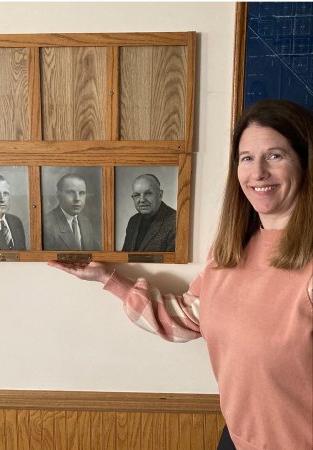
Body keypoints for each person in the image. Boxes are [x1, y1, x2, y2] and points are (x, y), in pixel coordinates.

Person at [50, 99, 313, 450]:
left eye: (275, 156)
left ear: (306, 163)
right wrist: (108, 278)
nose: (258, 172)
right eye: (246, 158)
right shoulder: (228, 253)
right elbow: (188, 319)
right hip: (236, 439)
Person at [43, 173, 101, 251]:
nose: (77, 199)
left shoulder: (85, 221)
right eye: (71, 192)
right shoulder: (46, 225)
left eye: (81, 193)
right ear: (58, 195)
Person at [121, 173, 176, 252]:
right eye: (137, 195)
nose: (142, 200)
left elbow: (172, 263)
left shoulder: (175, 221)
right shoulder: (133, 221)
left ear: (160, 195)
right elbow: (125, 257)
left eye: (148, 193)